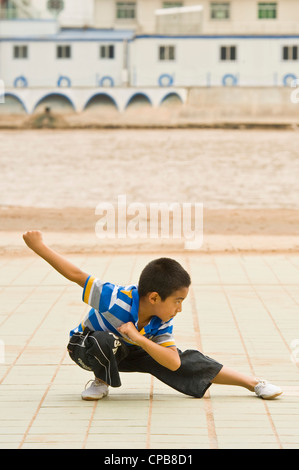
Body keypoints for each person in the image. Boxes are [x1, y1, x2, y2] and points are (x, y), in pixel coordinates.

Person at [22, 230, 282, 401]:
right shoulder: (115, 297)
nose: (180, 308)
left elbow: (173, 363)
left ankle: (253, 383)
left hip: (130, 347)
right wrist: (39, 246)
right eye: (177, 301)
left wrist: (138, 338)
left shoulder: (162, 320)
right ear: (155, 297)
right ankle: (100, 380)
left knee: (186, 358)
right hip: (86, 348)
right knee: (102, 339)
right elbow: (78, 275)